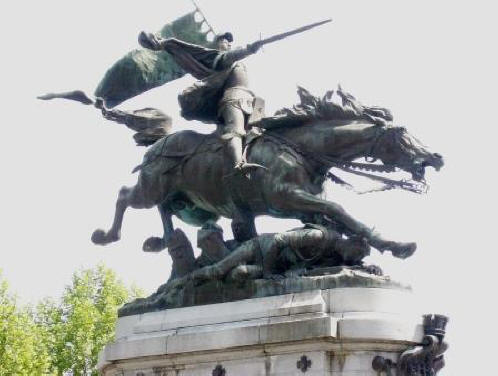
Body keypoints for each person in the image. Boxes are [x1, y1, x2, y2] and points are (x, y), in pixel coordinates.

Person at [138, 31, 265, 174]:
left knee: (262, 132)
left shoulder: (235, 63)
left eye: (229, 41)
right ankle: (238, 165)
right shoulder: (219, 59)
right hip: (234, 99)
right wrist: (250, 48)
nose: (228, 43)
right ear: (217, 44)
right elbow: (232, 56)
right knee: (235, 130)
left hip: (251, 101)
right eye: (224, 40)